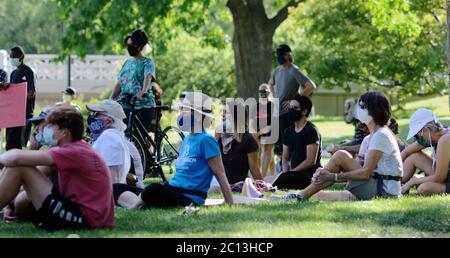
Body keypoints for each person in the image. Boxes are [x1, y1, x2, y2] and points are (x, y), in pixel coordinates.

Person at [272, 91, 403, 201]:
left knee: (340, 156)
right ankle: (298, 195)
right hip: (375, 185)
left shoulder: (381, 135)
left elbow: (364, 174)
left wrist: (333, 176)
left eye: (362, 106)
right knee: (315, 195)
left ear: (374, 111)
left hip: (385, 191)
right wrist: (327, 174)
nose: (358, 109)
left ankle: (299, 195)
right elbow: (358, 170)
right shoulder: (370, 137)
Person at [114, 92, 233, 208]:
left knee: (153, 188)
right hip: (172, 190)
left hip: (188, 197)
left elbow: (220, 173)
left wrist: (228, 201)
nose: (180, 113)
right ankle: (141, 203)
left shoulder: (206, 140)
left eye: (184, 110)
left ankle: (135, 206)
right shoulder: (187, 139)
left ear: (197, 115)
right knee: (117, 188)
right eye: (180, 109)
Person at [0, 108, 114, 230]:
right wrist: (9, 206)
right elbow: (32, 174)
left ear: (64, 133)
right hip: (85, 215)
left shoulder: (73, 151)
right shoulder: (76, 148)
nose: (44, 130)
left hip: (85, 218)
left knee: (18, 168)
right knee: (20, 168)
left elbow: (15, 158)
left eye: (50, 126)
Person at [268, 44, 317, 160]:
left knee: (289, 147)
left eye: (281, 55)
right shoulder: (277, 71)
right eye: (278, 55)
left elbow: (311, 86)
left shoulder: (294, 71)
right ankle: (283, 172)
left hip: (288, 113)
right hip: (278, 113)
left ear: (287, 55)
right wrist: (274, 97)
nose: (279, 57)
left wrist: (295, 100)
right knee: (279, 148)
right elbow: (270, 83)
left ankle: (291, 171)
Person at [86, 99, 144, 189]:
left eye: (97, 114)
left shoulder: (109, 137)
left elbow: (114, 179)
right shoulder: (116, 137)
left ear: (109, 122)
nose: (92, 117)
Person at [271, 95, 322, 190]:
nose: (290, 110)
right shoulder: (288, 131)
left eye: (295, 108)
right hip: (294, 174)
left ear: (304, 111)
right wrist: (287, 174)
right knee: (270, 180)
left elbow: (310, 161)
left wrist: (291, 173)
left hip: (310, 177)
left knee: (273, 183)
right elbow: (285, 157)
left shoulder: (311, 131)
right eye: (289, 107)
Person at [111, 29, 156, 132]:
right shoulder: (127, 63)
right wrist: (111, 98)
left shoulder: (147, 62)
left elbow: (147, 77)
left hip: (143, 106)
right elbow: (119, 83)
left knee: (137, 138)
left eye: (131, 45)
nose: (129, 48)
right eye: (127, 45)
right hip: (125, 105)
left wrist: (143, 91)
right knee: (123, 135)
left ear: (139, 46)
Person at [401, 108, 450, 195]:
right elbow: (407, 151)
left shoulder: (445, 139)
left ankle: (412, 183)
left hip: (444, 178)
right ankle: (394, 185)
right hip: (445, 175)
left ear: (426, 130)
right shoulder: (435, 135)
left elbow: (440, 177)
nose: (418, 139)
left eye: (417, 135)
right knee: (414, 157)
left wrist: (413, 182)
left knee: (423, 189)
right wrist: (392, 171)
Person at [214, 99, 264, 185]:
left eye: (227, 112)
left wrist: (264, 187)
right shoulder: (219, 136)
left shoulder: (248, 140)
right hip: (216, 183)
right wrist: (215, 139)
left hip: (235, 185)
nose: (223, 115)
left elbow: (255, 170)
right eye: (223, 112)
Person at [5, 46, 37, 150]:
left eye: (13, 56)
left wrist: (18, 94)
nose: (12, 59)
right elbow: (11, 92)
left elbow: (31, 94)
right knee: (9, 144)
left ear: (21, 57)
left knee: (19, 144)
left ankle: (18, 163)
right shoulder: (13, 73)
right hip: (12, 114)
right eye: (10, 56)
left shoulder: (29, 72)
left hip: (24, 114)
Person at [252, 84, 275, 177]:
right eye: (261, 92)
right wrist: (255, 133)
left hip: (269, 130)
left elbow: (273, 123)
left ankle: (263, 176)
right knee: (257, 152)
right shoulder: (256, 106)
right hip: (257, 131)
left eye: (265, 91)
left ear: (269, 92)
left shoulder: (272, 106)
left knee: (267, 149)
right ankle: (270, 172)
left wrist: (260, 133)